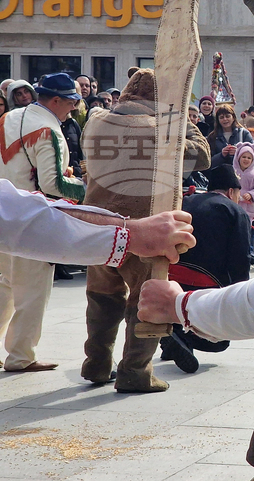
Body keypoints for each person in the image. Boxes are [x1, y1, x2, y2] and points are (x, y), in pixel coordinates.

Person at [79, 67, 211, 391]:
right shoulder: (162, 129)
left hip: (98, 226)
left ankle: (96, 364)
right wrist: (178, 115)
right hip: (143, 230)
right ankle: (135, 372)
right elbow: (203, 156)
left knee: (101, 299)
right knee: (144, 300)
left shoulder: (96, 120)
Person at [0, 73, 87, 371]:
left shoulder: (7, 118)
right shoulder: (49, 129)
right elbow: (53, 185)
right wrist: (84, 187)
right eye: (71, 102)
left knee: (5, 285)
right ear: (56, 100)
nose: (74, 108)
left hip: (2, 212)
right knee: (33, 289)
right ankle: (21, 356)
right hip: (31, 219)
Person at [160, 165, 254, 374]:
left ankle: (172, 337)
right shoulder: (235, 210)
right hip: (207, 281)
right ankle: (183, 338)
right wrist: (241, 290)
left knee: (178, 310)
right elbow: (240, 257)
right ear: (232, 191)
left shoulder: (185, 201)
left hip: (171, 274)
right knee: (220, 341)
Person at [205, 104, 254, 168]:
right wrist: (221, 155)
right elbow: (208, 162)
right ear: (218, 120)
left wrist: (239, 152)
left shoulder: (244, 133)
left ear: (233, 117)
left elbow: (253, 152)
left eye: (227, 116)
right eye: (221, 117)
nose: (225, 119)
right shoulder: (212, 137)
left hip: (241, 174)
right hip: (219, 174)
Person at [234, 142, 254, 223]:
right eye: (243, 157)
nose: (246, 159)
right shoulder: (232, 172)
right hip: (233, 206)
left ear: (253, 160)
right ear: (238, 157)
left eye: (249, 158)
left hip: (248, 211)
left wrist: (251, 194)